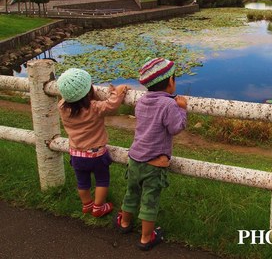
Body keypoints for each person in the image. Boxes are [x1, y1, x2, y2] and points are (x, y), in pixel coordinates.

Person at [114, 57, 187, 251]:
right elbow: (175, 128)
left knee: (131, 193)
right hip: (154, 163)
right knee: (149, 200)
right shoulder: (169, 105)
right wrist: (183, 109)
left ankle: (124, 224)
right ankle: (147, 237)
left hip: (135, 158)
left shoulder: (142, 101)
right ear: (171, 82)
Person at [57, 68, 128, 218]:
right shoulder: (95, 107)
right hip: (96, 155)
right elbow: (112, 104)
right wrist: (118, 91)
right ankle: (98, 207)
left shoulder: (62, 107)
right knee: (102, 180)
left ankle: (86, 204)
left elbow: (79, 99)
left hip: (76, 154)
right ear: (89, 91)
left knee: (82, 182)